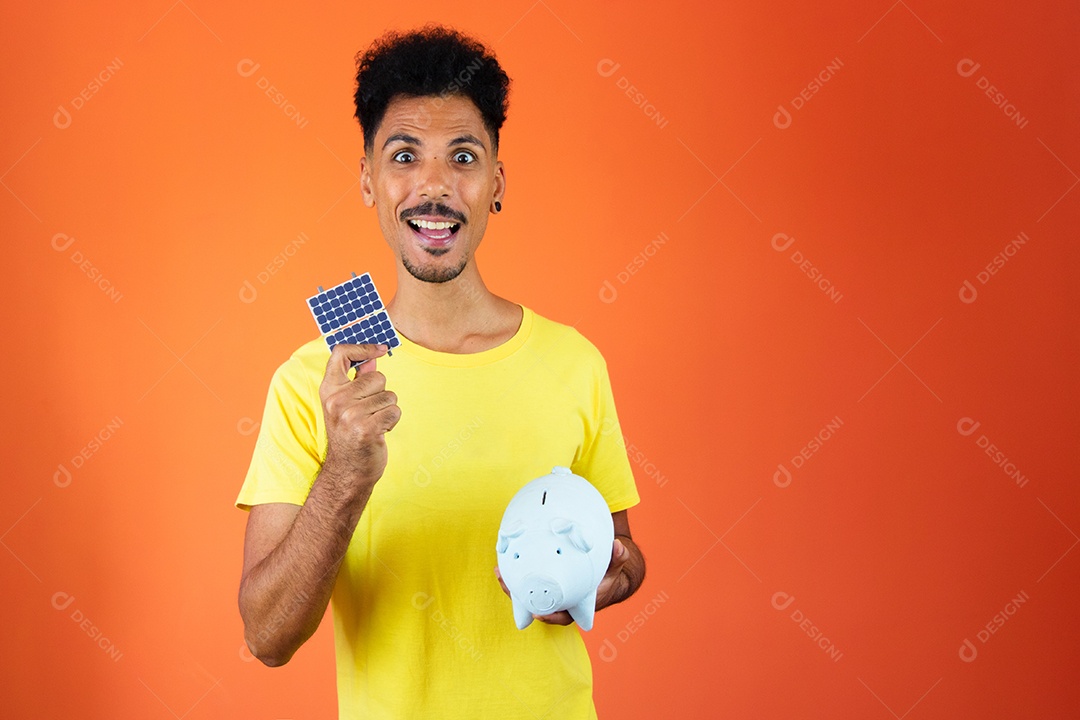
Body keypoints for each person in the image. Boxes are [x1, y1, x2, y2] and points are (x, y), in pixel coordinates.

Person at [235, 23, 646, 719]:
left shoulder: (573, 362)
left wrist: (612, 575)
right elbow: (266, 636)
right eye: (403, 156)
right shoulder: (318, 383)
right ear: (368, 179)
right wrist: (343, 475)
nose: (433, 186)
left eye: (462, 156)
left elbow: (626, 549)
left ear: (496, 183)